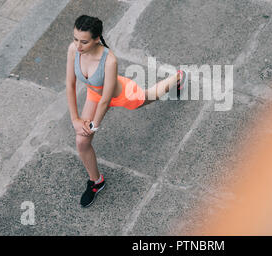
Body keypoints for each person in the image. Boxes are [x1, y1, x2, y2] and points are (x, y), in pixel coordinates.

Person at [66, 15, 188, 207]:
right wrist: (75, 119)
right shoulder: (74, 50)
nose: (78, 45)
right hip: (94, 94)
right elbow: (70, 83)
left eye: (84, 41)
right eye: (75, 39)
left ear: (97, 39)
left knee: (149, 97)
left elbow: (106, 100)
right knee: (81, 141)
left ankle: (177, 79)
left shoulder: (109, 60)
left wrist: (93, 125)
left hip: (120, 94)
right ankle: (96, 182)